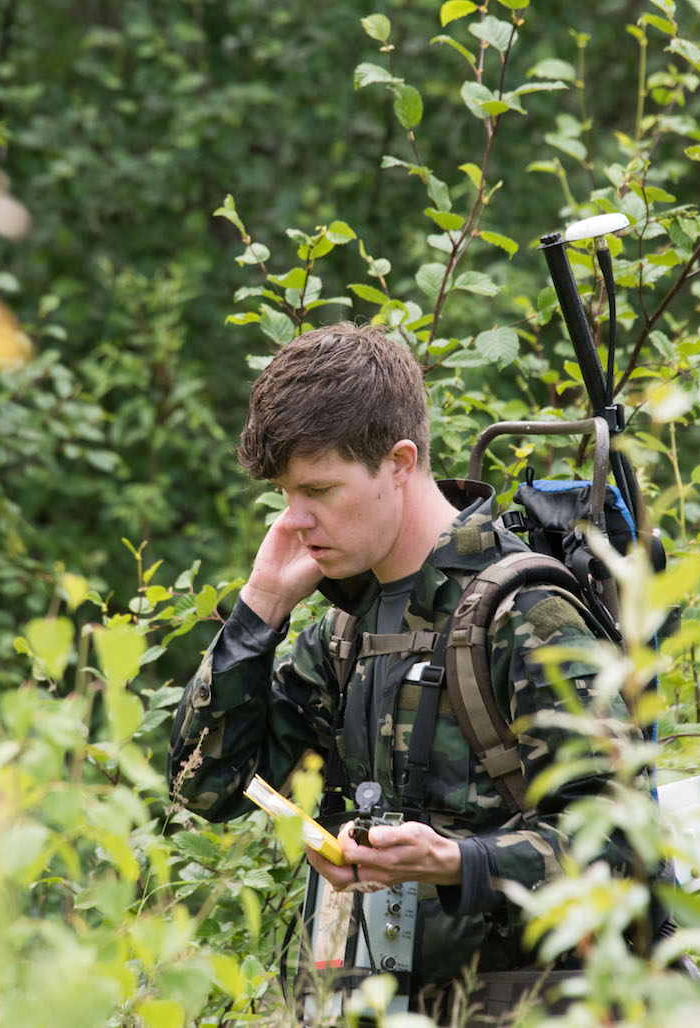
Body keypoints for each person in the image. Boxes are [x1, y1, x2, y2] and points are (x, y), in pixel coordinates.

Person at [167, 322, 628, 1015]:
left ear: (400, 462)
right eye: (286, 495)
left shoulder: (525, 615)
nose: (295, 521)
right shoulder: (344, 630)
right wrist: (258, 609)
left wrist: (456, 863)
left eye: (319, 490)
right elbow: (206, 789)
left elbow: (620, 848)